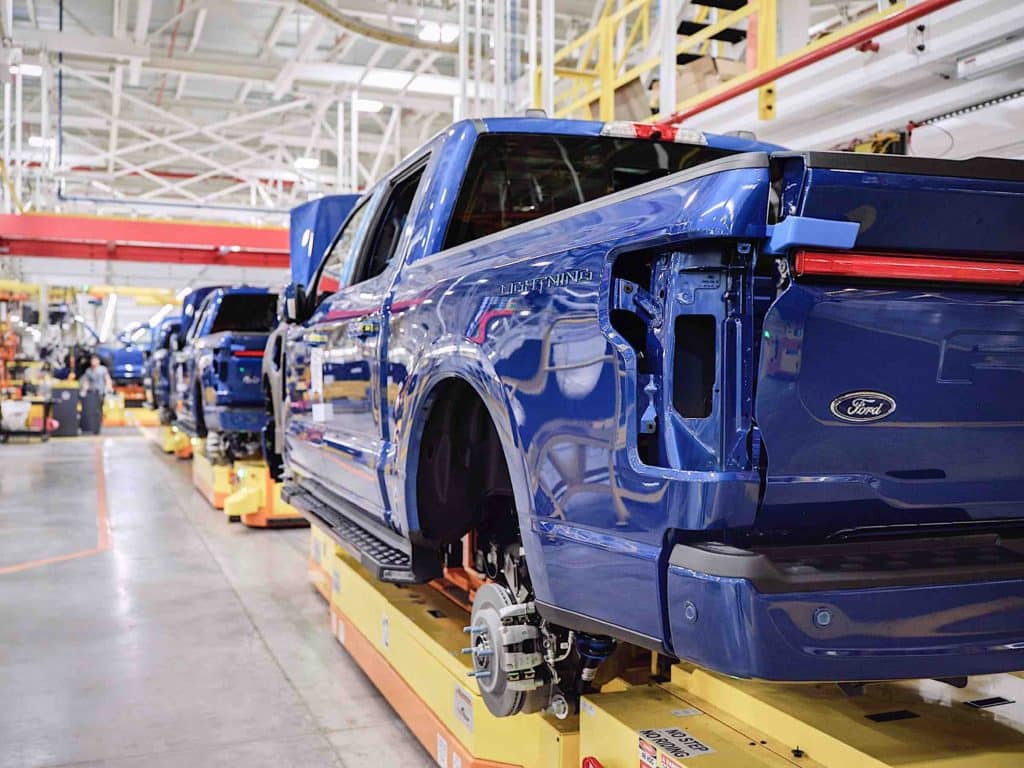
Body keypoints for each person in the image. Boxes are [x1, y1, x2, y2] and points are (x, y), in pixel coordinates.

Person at [79, 355, 112, 434]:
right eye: (92, 360)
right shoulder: (89, 371)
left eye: (95, 360)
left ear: (98, 361)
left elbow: (107, 379)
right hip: (92, 393)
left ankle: (98, 424)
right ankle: (93, 425)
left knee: (99, 408)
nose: (93, 362)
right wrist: (84, 390)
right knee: (93, 409)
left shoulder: (102, 369)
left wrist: (108, 387)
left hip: (100, 392)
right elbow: (86, 381)